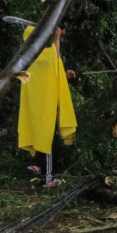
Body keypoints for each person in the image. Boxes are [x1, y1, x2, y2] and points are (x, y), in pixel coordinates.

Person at [18, 26, 77, 188]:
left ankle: (37, 165)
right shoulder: (43, 56)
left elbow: (47, 76)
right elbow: (53, 61)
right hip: (47, 108)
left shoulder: (27, 58)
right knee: (48, 141)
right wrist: (56, 39)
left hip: (35, 109)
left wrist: (64, 75)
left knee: (40, 136)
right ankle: (49, 179)